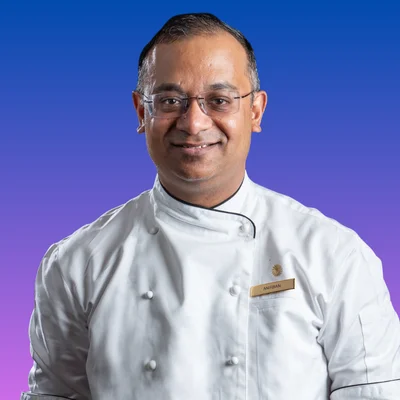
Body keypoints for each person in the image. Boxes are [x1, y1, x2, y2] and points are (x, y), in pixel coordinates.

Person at [21, 12, 400, 400]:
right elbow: (55, 393)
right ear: (141, 112)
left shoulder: (333, 255)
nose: (193, 123)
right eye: (170, 101)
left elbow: (375, 393)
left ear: (255, 111)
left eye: (219, 101)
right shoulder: (78, 263)